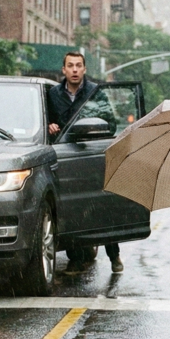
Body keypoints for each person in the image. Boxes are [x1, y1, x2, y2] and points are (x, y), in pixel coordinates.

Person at [46, 51, 123, 272]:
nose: (75, 70)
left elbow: (110, 123)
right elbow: (47, 121)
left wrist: (92, 129)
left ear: (85, 69)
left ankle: (114, 256)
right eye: (70, 66)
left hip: (92, 156)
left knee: (102, 206)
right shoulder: (53, 94)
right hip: (67, 158)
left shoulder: (95, 93)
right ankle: (77, 258)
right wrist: (52, 126)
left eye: (79, 65)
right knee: (74, 206)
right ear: (64, 70)